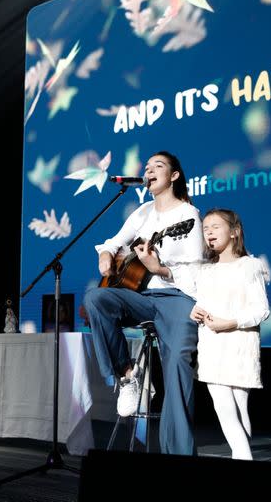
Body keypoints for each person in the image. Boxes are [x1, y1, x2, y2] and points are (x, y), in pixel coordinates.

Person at [83, 150, 204, 456]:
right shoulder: (142, 213)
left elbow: (196, 270)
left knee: (176, 362)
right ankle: (126, 376)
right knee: (96, 297)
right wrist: (106, 255)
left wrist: (159, 269)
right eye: (147, 167)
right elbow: (113, 242)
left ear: (174, 176)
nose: (149, 171)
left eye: (158, 166)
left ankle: (177, 452)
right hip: (142, 298)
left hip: (179, 297)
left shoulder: (188, 217)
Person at [191, 209, 269, 460]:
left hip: (239, 345)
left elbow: (261, 311)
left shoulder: (250, 266)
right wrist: (196, 311)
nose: (209, 232)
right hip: (212, 347)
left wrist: (230, 323)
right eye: (206, 228)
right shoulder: (205, 271)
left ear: (234, 232)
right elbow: (201, 303)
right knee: (224, 409)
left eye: (215, 226)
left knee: (240, 411)